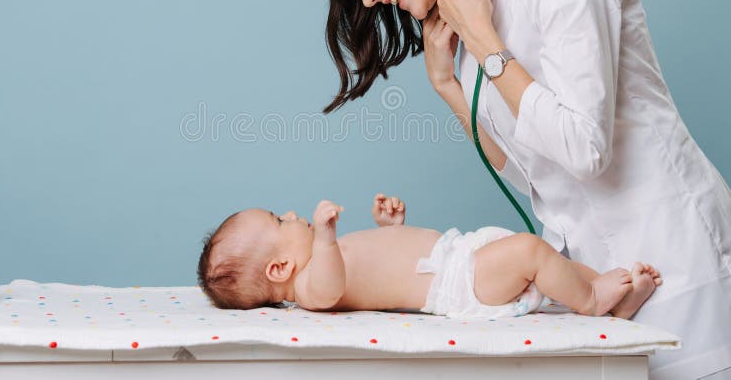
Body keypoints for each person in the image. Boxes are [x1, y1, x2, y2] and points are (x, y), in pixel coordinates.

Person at [293, 0, 731, 379]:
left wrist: (485, 42)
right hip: (595, 282)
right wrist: (448, 85)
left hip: (676, 260)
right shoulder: (461, 16)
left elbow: (585, 151)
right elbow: (533, 175)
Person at [198, 195, 661, 321]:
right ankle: (592, 300)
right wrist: (322, 236)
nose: (293, 214)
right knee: (532, 252)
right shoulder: (309, 288)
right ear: (279, 270)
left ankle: (606, 295)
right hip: (457, 284)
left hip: (458, 254)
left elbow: (382, 268)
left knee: (555, 268)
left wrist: (392, 231)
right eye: (281, 221)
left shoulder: (322, 261)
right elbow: (332, 288)